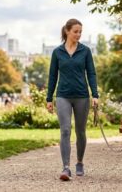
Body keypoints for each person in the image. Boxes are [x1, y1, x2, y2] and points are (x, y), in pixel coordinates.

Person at [46, 18, 99, 181]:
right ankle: (66, 167)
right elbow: (53, 75)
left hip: (82, 96)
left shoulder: (85, 51)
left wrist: (95, 95)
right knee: (65, 130)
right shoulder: (57, 52)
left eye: (80, 32)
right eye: (76, 31)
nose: (78, 34)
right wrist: (49, 98)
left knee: (80, 132)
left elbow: (91, 73)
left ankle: (80, 162)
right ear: (67, 31)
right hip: (63, 96)